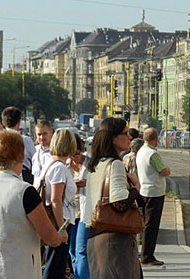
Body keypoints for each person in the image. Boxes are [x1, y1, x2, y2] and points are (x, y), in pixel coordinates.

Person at [0, 130, 67, 278]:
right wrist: (60, 237)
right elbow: (50, 236)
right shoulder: (24, 191)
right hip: (20, 269)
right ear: (21, 156)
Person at [84, 117, 141, 279]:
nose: (130, 137)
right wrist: (136, 188)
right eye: (125, 133)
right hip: (114, 239)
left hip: (95, 236)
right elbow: (120, 203)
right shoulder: (115, 164)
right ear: (113, 138)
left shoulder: (96, 164)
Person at [40, 128, 78, 279]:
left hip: (55, 220)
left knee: (54, 264)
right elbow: (56, 200)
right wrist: (62, 228)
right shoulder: (59, 168)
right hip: (59, 222)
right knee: (55, 267)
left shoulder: (51, 165)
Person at [136, 127, 171, 266]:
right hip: (155, 193)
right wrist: (168, 170)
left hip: (144, 191)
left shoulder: (141, 151)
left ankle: (145, 254)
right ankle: (147, 256)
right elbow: (164, 171)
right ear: (155, 139)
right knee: (152, 226)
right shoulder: (153, 154)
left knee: (146, 224)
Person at [68, 133, 90, 279]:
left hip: (84, 212)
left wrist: (85, 183)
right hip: (69, 211)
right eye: (71, 154)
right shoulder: (64, 165)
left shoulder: (90, 163)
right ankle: (78, 275)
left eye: (77, 154)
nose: (74, 158)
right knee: (71, 249)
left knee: (81, 249)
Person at [1, 106, 36, 184]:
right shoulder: (26, 140)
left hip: (2, 175)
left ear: (3, 122)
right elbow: (34, 159)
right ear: (19, 122)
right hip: (24, 176)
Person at [32, 119, 54, 187]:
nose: (42, 137)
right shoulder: (35, 152)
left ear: (51, 132)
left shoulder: (58, 152)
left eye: (44, 134)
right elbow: (35, 178)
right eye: (39, 134)